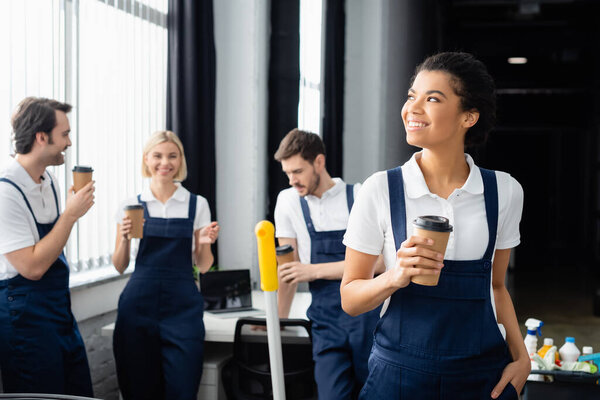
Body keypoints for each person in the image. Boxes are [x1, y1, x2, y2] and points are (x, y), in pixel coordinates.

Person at [341, 51, 530, 400]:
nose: (412, 107)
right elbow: (350, 298)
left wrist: (522, 358)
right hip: (397, 378)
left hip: (479, 379)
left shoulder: (504, 191)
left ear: (468, 117)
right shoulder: (380, 189)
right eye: (412, 96)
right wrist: (394, 277)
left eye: (432, 98)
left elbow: (498, 287)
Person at [273, 129, 383, 399]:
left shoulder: (358, 197)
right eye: (287, 173)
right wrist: (277, 320)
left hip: (367, 317)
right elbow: (288, 268)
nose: (292, 180)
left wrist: (312, 271)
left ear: (319, 162)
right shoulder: (287, 201)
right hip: (326, 323)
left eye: (297, 171)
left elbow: (379, 263)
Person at [112, 130, 219, 400]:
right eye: (158, 156)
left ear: (180, 160)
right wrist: (124, 239)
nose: (165, 162)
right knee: (138, 389)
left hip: (183, 309)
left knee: (183, 388)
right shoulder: (131, 205)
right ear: (146, 159)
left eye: (172, 156)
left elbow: (204, 266)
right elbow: (119, 265)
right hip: (137, 307)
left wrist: (204, 242)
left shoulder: (197, 204)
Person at [0, 97, 95, 395]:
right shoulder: (6, 193)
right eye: (64, 134)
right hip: (24, 318)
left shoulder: (50, 181)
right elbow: (32, 267)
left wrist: (70, 213)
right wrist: (70, 214)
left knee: (78, 393)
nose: (69, 142)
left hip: (59, 313)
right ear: (42, 137)